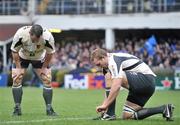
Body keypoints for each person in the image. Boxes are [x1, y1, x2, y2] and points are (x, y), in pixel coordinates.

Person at [90, 48, 174, 121]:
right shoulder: (107, 66)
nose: (99, 67)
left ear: (103, 58)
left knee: (113, 77)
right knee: (127, 116)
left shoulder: (113, 61)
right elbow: (109, 88)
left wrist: (105, 105)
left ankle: (110, 115)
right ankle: (164, 109)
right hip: (143, 88)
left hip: (146, 80)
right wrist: (104, 106)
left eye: (98, 64)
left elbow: (116, 86)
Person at [11, 24, 57, 116]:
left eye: (37, 40)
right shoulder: (20, 34)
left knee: (47, 79)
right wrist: (19, 68)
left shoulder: (48, 37)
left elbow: (50, 53)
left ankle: (49, 108)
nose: (35, 42)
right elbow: (14, 51)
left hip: (39, 57)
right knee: (17, 78)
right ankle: (17, 108)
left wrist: (44, 67)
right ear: (30, 33)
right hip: (22, 56)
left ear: (41, 36)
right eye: (33, 39)